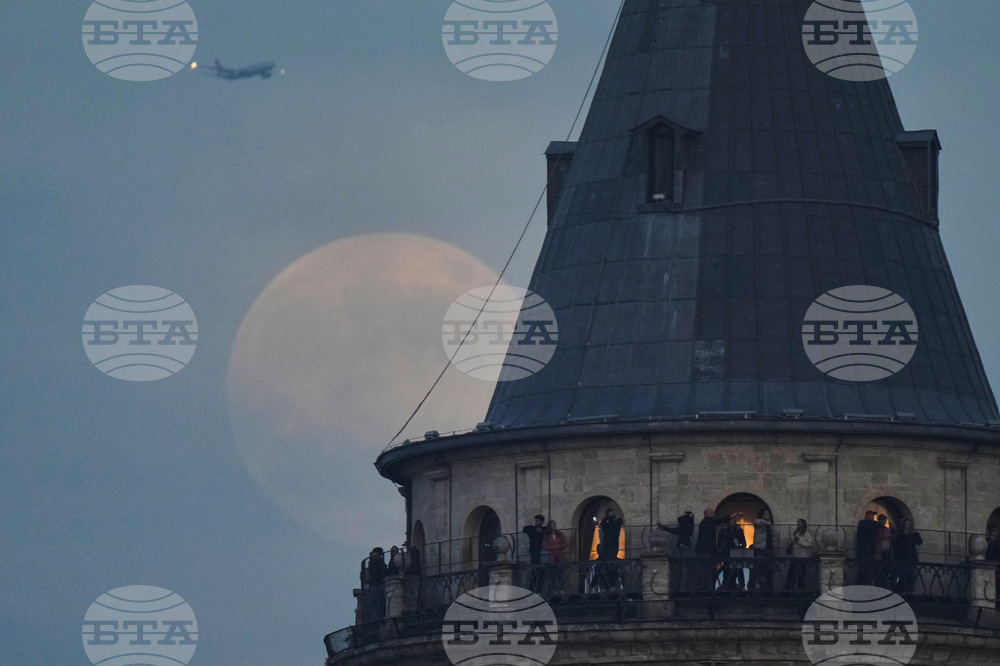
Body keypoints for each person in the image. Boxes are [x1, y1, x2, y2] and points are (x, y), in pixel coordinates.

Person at [695, 508, 741, 592]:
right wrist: (731, 515)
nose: (713, 514)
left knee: (706, 570)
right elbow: (719, 520)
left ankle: (706, 588)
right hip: (706, 550)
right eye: (712, 512)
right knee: (707, 570)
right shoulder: (708, 521)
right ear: (707, 514)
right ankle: (706, 589)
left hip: (705, 550)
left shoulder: (705, 522)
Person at [658, 511, 695, 593]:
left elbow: (675, 526)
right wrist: (690, 516)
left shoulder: (685, 527)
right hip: (683, 547)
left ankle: (681, 588)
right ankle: (681, 588)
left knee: (682, 569)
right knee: (682, 569)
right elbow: (674, 528)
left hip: (682, 548)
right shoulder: (688, 527)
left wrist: (689, 516)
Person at [892, 518, 923, 595]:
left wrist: (916, 534)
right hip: (903, 558)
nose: (907, 525)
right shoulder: (900, 534)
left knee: (912, 575)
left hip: (912, 558)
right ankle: (904, 590)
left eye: (909, 524)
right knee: (904, 575)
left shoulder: (913, 534)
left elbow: (919, 542)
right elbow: (896, 544)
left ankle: (910, 590)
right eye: (906, 524)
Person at [748, 509, 775, 594]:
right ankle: (754, 585)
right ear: (762, 515)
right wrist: (768, 522)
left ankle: (766, 586)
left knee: (767, 568)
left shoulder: (768, 526)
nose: (768, 515)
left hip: (768, 548)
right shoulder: (759, 522)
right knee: (758, 567)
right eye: (766, 513)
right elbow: (756, 522)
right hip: (760, 548)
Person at [717, 515, 747, 593]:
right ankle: (727, 585)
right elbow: (720, 541)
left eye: (734, 519)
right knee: (727, 569)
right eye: (731, 519)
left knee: (739, 569)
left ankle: (741, 585)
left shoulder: (738, 529)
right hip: (726, 552)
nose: (733, 521)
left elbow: (743, 541)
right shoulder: (724, 530)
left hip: (736, 552)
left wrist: (741, 549)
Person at [784, 519, 814, 593]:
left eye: (800, 523)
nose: (798, 524)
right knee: (792, 573)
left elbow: (809, 544)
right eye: (798, 523)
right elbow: (791, 541)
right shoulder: (796, 532)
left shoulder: (807, 534)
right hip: (794, 556)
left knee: (802, 574)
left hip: (802, 557)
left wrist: (799, 541)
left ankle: (800, 589)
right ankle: (789, 588)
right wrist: (792, 539)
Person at [543, 520, 568, 594]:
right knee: (552, 574)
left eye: (554, 524)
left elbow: (565, 544)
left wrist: (559, 546)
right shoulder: (546, 536)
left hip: (560, 556)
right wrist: (554, 547)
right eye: (552, 524)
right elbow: (545, 546)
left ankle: (561, 589)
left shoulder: (560, 534)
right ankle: (554, 590)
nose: (554, 526)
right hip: (552, 557)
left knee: (561, 574)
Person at [855, 510, 880, 585]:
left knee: (869, 568)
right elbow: (869, 526)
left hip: (870, 549)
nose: (872, 517)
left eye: (872, 516)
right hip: (862, 549)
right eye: (870, 515)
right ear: (866, 516)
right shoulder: (862, 523)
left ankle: (868, 582)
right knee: (862, 567)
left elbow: (878, 525)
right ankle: (861, 582)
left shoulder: (874, 524)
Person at [986, 524, 1000, 609]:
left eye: (994, 531)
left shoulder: (998, 543)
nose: (993, 533)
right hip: (989, 567)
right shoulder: (987, 541)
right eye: (991, 531)